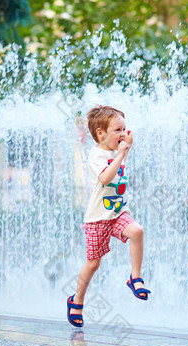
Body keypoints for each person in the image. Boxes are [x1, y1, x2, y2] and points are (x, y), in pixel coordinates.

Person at [67, 106, 150, 328]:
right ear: (101, 133)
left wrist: (125, 148)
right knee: (93, 264)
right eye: (117, 130)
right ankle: (76, 301)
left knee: (137, 231)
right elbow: (105, 178)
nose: (122, 134)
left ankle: (135, 277)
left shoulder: (116, 151)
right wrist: (123, 152)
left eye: (124, 128)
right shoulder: (97, 155)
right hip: (97, 219)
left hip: (117, 213)